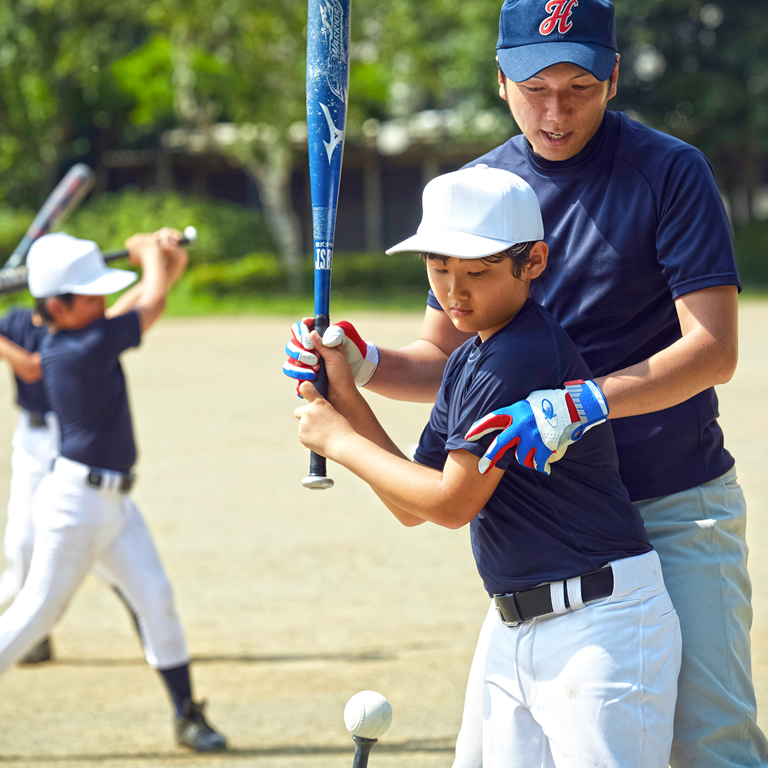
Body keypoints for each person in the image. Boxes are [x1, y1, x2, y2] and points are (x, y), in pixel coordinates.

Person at [284, 0, 767, 764]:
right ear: (500, 79)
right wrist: (361, 364)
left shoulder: (669, 170)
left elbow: (713, 351)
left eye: (578, 87)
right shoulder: (480, 187)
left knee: (710, 741)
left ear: (613, 77)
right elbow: (447, 361)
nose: (555, 110)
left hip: (673, 501)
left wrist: (583, 403)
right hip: (549, 525)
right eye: (534, 87)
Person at [294, 165, 682, 767]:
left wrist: (341, 441)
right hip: (513, 627)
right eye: (438, 267)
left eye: (477, 271)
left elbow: (452, 504)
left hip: (598, 629)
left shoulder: (519, 354)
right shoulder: (470, 358)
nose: (454, 292)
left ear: (533, 263)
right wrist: (344, 393)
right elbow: (410, 505)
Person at [0, 230, 227, 753]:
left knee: (157, 600)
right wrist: (149, 258)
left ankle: (186, 715)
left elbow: (150, 293)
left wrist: (167, 258)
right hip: (74, 507)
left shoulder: (86, 331)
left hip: (116, 504)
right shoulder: (74, 348)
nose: (102, 301)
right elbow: (151, 301)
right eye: (90, 295)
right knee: (37, 614)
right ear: (57, 305)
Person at [0, 308, 141, 664]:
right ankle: (37, 636)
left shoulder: (75, 320)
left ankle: (142, 604)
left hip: (72, 436)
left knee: (85, 543)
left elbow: (32, 366)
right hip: (31, 437)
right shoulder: (15, 320)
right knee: (23, 542)